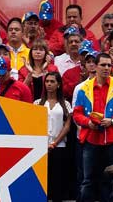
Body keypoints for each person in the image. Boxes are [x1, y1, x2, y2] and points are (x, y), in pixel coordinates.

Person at [73, 52, 113, 202]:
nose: (106, 68)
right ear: (95, 66)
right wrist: (88, 123)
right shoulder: (83, 88)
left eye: (109, 65)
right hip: (91, 140)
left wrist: (112, 121)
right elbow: (76, 114)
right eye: (103, 65)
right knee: (88, 180)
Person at [33, 71, 72, 202]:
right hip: (41, 147)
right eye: (47, 81)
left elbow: (67, 126)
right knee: (42, 179)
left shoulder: (65, 104)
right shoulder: (37, 103)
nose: (49, 84)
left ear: (58, 84)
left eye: (52, 82)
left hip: (59, 146)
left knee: (57, 179)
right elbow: (34, 125)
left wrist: (54, 143)